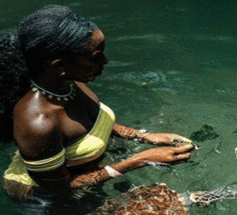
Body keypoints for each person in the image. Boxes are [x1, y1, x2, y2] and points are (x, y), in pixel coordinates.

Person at [0, 5, 196, 202]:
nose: (105, 61)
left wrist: (144, 137)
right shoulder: (38, 123)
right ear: (59, 66)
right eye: (95, 57)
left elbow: (92, 122)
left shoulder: (68, 83)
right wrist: (140, 160)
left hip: (90, 175)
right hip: (45, 201)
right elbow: (58, 189)